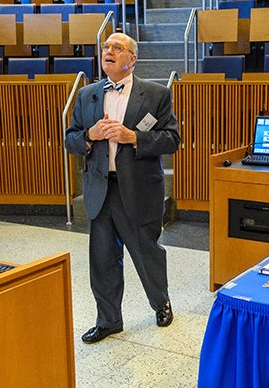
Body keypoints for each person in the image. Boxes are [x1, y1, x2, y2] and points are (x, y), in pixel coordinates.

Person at [65, 32, 182, 344]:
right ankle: (108, 320)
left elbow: (172, 139)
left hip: (139, 190)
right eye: (105, 47)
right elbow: (70, 139)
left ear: (132, 59)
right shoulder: (87, 95)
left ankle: (161, 303)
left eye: (117, 47)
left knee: (146, 252)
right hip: (100, 190)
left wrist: (135, 138)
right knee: (102, 259)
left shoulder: (156, 94)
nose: (109, 51)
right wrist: (89, 134)